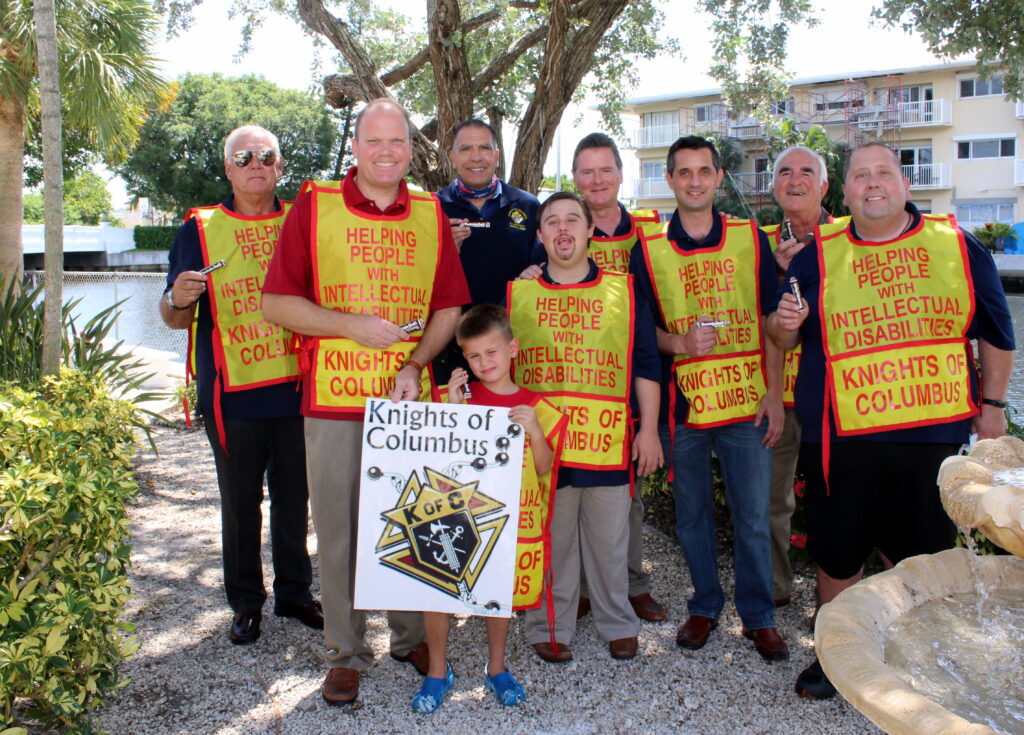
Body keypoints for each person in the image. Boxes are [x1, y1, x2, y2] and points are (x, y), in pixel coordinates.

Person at [769, 142, 1015, 699]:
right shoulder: (815, 256)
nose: (873, 184)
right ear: (847, 190)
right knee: (837, 554)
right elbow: (783, 336)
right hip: (841, 440)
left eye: (884, 173)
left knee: (923, 555)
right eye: (861, 175)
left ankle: (917, 656)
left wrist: (993, 409)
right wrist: (785, 325)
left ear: (905, 186)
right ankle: (836, 656)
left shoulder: (956, 246)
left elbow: (996, 333)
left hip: (930, 438)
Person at [261, 99, 471, 706]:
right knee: (338, 530)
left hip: (408, 398)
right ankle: (345, 651)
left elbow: (449, 309)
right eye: (374, 142)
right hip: (333, 399)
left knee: (415, 520)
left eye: (398, 142)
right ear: (355, 147)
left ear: (411, 148)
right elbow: (276, 303)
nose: (386, 152)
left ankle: (410, 639)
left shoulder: (431, 211)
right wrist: (349, 325)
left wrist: (413, 363)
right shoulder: (316, 204)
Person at [160, 125, 321, 645]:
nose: (256, 164)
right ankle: (246, 602)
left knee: (295, 498)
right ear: (228, 169)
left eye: (266, 155)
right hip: (232, 392)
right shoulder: (200, 230)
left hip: (299, 386)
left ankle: (295, 594)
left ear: (279, 166)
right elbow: (173, 318)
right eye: (244, 157)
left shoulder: (305, 220)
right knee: (239, 500)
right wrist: (179, 299)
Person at [631, 135, 789, 663]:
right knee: (691, 515)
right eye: (684, 172)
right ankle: (704, 605)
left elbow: (772, 321)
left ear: (719, 178)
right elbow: (641, 332)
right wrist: (678, 343)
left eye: (704, 171)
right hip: (684, 410)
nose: (695, 181)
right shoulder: (647, 248)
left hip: (747, 405)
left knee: (751, 515)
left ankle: (759, 616)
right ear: (670, 180)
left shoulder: (750, 238)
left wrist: (774, 394)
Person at [511, 192, 664, 663]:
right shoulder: (520, 292)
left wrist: (650, 431)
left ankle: (616, 620)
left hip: (605, 442)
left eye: (572, 220)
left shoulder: (623, 290)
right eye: (551, 222)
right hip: (544, 448)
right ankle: (547, 624)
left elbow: (645, 363)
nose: (562, 230)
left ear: (590, 230)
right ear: (539, 235)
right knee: (551, 544)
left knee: (609, 542)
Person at [410, 304, 568, 713]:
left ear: (513, 348)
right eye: (474, 356)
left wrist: (533, 431)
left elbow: (545, 467)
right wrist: (455, 406)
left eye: (492, 352)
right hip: (457, 518)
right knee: (440, 589)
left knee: (498, 593)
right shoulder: (457, 398)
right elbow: (437, 459)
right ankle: (438, 671)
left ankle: (496, 667)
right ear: (463, 357)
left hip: (509, 519)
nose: (484, 363)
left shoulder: (536, 406)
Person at [571, 132, 667, 623]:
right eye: (586, 172)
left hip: (632, 375)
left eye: (604, 169)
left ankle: (632, 583)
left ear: (620, 174)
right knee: (574, 490)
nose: (596, 180)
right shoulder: (561, 227)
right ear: (574, 179)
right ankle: (583, 588)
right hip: (576, 378)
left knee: (627, 493)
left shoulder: (649, 233)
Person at [760, 145, 838, 607]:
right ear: (773, 186)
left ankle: (843, 604)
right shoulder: (760, 243)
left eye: (806, 172)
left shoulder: (850, 238)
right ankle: (773, 594)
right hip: (780, 395)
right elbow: (761, 325)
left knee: (842, 503)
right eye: (784, 172)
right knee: (772, 504)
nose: (794, 180)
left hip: (840, 399)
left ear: (824, 186)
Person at [433, 119, 539, 387]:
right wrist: (445, 255)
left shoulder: (527, 205)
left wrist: (537, 272)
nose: (476, 157)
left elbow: (544, 276)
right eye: (466, 149)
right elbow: (417, 284)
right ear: (453, 157)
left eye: (484, 148)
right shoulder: (431, 208)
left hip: (513, 357)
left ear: (497, 156)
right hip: (451, 357)